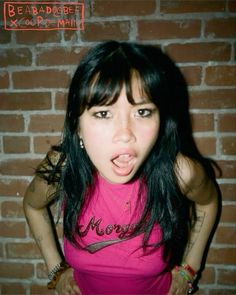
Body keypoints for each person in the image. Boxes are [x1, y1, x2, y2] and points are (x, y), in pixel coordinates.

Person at [23, 41, 219, 295]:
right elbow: (32, 205)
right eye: (104, 113)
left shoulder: (179, 172)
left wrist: (189, 270)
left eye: (143, 112)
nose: (125, 134)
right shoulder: (64, 168)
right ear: (77, 126)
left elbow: (208, 202)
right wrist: (55, 271)